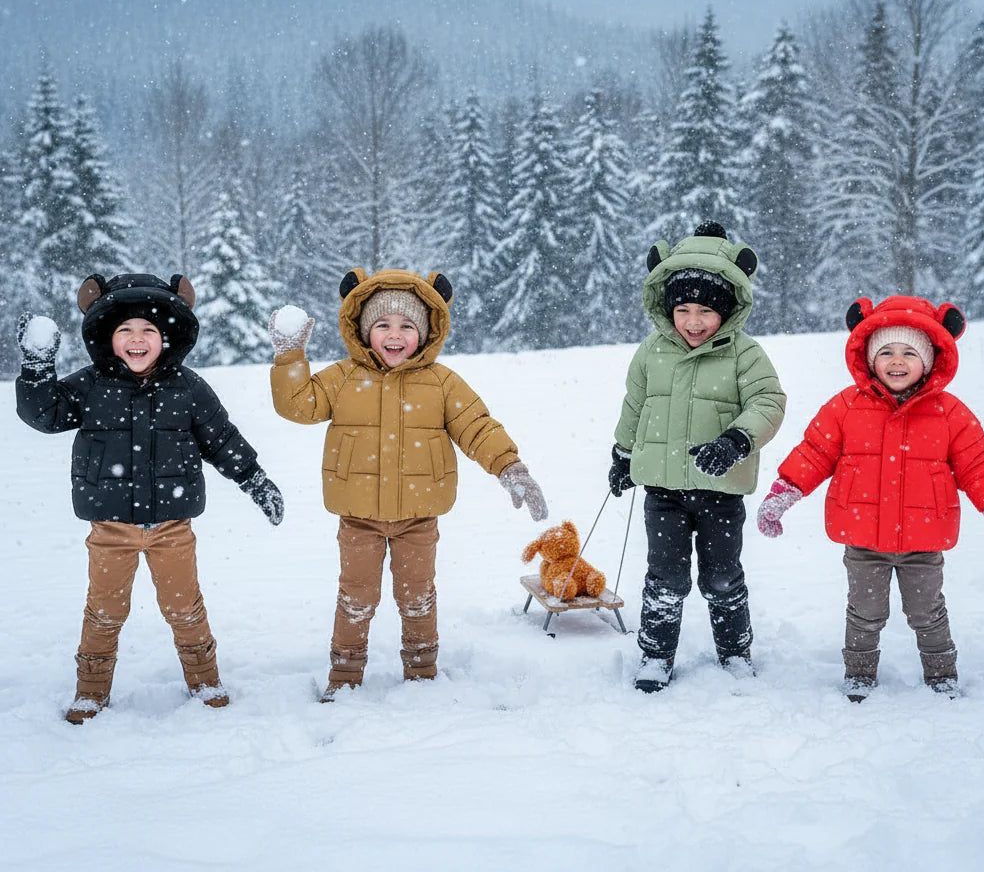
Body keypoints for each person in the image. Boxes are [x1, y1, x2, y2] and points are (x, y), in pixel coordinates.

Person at [15, 273, 284, 724]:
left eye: (148, 332)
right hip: (111, 529)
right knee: (103, 611)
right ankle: (91, 692)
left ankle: (205, 680)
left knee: (185, 608)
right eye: (125, 331)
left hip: (171, 528)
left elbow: (222, 439)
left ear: (166, 338)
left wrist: (255, 480)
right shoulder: (91, 385)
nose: (136, 340)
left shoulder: (188, 388)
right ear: (108, 337)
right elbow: (45, 414)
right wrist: (39, 367)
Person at [269, 267, 548, 700]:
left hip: (418, 519)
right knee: (355, 599)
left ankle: (422, 672)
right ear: (363, 330)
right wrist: (290, 357)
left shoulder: (441, 382)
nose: (394, 334)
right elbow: (297, 406)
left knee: (417, 596)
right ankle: (344, 677)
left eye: (406, 325)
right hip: (358, 518)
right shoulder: (343, 377)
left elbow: (477, 427)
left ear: (426, 332)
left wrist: (510, 467)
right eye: (382, 324)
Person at [756, 295, 984, 700]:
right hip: (863, 539)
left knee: (927, 613)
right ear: (869, 357)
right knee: (865, 613)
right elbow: (813, 453)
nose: (897, 361)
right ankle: (859, 673)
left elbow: (979, 467)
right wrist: (782, 495)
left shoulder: (950, 414)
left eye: (909, 352)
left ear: (930, 359)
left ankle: (941, 674)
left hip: (923, 540)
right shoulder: (846, 406)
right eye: (886, 351)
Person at [609, 221, 786, 692]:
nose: (692, 321)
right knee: (664, 577)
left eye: (705, 310)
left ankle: (735, 650)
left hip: (721, 492)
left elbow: (768, 403)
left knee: (723, 577)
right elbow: (635, 404)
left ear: (726, 311)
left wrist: (735, 441)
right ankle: (654, 655)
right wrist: (623, 454)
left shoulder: (744, 355)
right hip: (663, 492)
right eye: (683, 308)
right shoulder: (652, 352)